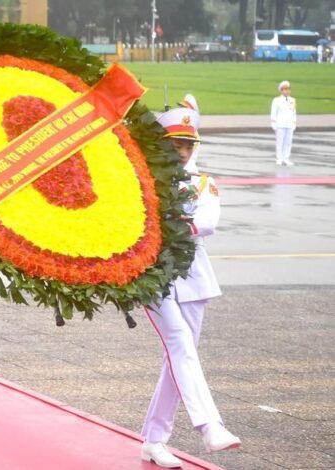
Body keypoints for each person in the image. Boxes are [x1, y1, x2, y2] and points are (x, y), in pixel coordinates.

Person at [140, 107, 240, 468]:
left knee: (180, 358)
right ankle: (210, 425)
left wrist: (166, 221)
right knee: (180, 344)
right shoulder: (141, 180)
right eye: (175, 143)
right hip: (152, 274)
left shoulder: (202, 182)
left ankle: (154, 439)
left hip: (194, 275)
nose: (181, 150)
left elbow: (207, 221)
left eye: (187, 144)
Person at [270, 80, 296, 166]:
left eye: (288, 89)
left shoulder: (292, 100)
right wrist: (273, 123)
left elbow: (293, 112)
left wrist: (294, 122)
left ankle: (286, 158)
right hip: (280, 124)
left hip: (289, 124)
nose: (287, 91)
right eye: (285, 89)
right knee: (280, 142)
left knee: (288, 142)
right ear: (281, 90)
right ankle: (279, 159)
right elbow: (273, 112)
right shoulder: (276, 100)